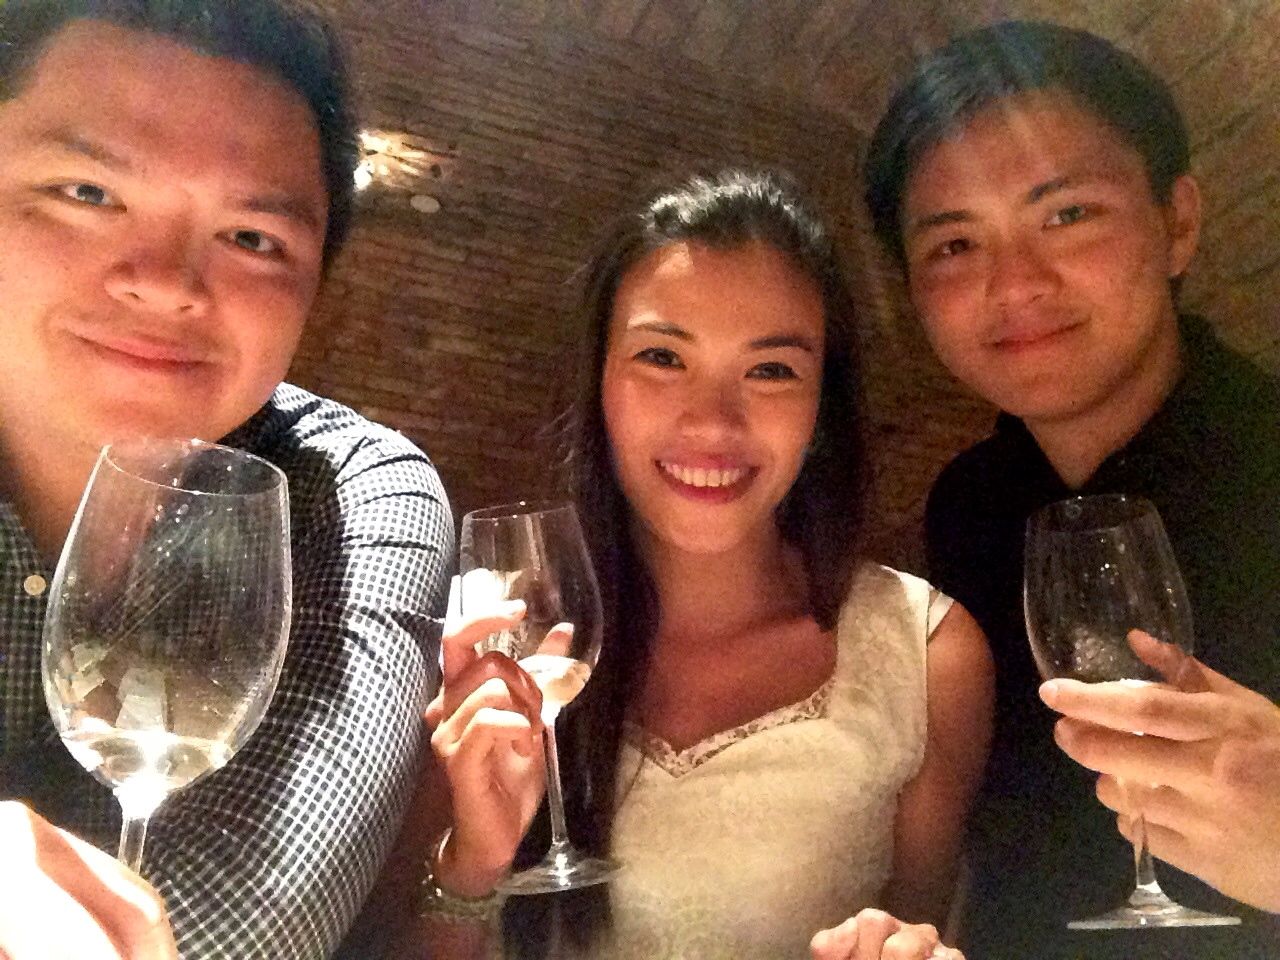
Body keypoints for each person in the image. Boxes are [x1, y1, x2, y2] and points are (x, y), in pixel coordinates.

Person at [385, 169, 992, 960]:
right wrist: (471, 864)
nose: (712, 422)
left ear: (821, 408)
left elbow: (926, 923)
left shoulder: (925, 657)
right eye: (662, 357)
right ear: (600, 381)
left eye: (771, 370)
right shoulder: (502, 639)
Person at [0, 2, 452, 958]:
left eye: (250, 238)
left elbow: (253, 921)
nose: (166, 282)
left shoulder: (347, 491)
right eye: (88, 191)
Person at [863, 19, 1280, 960]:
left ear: (1177, 223)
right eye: (955, 245)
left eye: (1067, 215)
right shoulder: (968, 507)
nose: (1015, 283)